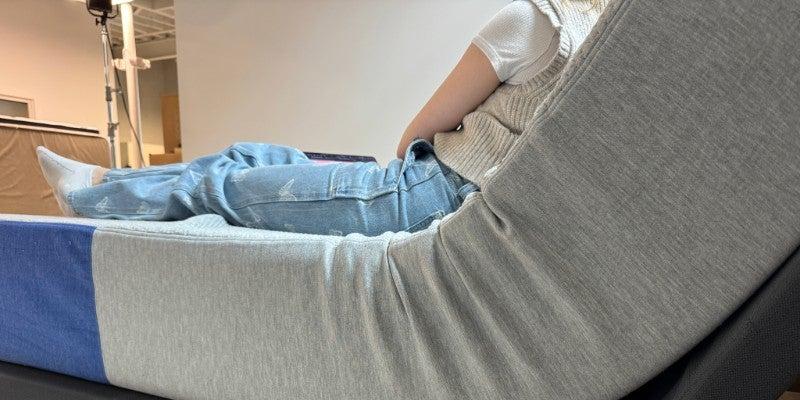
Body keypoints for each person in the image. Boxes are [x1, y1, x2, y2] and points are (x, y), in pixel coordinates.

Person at [38, 0, 605, 237]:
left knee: (225, 185)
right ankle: (106, 179)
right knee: (250, 155)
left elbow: (415, 135)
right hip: (433, 186)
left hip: (425, 192)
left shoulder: (539, 19)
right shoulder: (598, 46)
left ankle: (90, 200)